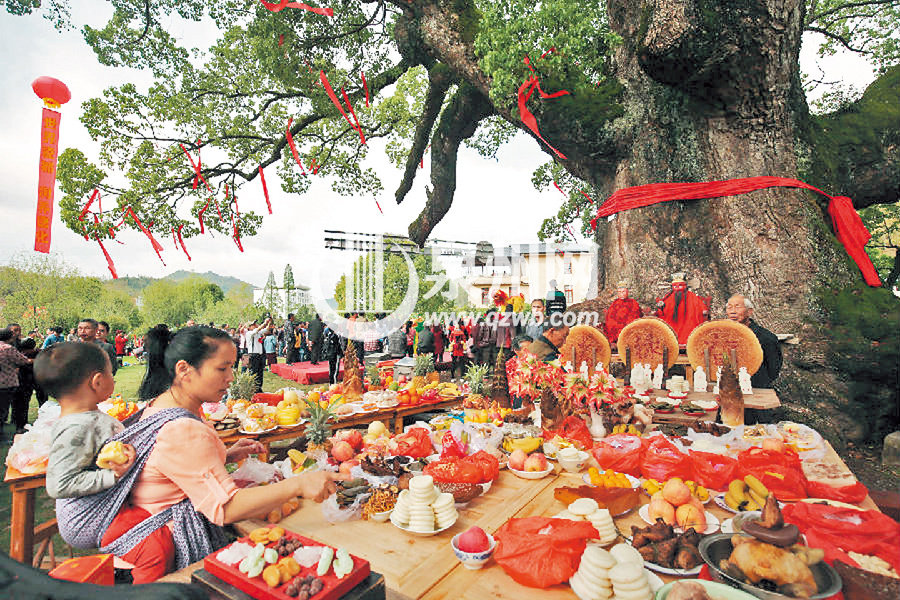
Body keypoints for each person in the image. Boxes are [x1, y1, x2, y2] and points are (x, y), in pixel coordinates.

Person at [55, 326, 345, 583]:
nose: (232, 377)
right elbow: (225, 508)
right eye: (223, 368)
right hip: (165, 543)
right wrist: (299, 484)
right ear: (184, 370)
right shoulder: (183, 428)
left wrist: (226, 455)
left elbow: (172, 466)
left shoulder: (164, 403)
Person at [38, 342, 137, 499]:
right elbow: (59, 484)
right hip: (99, 512)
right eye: (110, 373)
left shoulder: (86, 418)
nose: (113, 378)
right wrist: (113, 475)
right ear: (97, 382)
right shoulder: (77, 427)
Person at [725, 294, 782, 388]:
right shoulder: (722, 335)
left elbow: (773, 368)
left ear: (749, 311)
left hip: (756, 388)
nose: (732, 312)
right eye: (729, 308)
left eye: (737, 307)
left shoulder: (765, 337)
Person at [655, 273, 710, 344]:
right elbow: (662, 314)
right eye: (675, 286)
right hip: (673, 329)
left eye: (680, 285)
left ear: (685, 286)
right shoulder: (668, 298)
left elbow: (702, 308)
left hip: (689, 328)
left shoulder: (693, 297)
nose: (677, 288)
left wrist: (704, 311)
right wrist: (660, 308)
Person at [0, 328, 32, 441]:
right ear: (9, 337)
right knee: (3, 410)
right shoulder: (8, 348)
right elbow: (23, 361)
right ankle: (2, 437)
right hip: (7, 383)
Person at [245, 318, 273, 393]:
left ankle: (259, 388)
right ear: (249, 327)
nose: (255, 325)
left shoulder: (258, 332)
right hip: (253, 355)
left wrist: (269, 322)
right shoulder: (249, 334)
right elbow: (258, 329)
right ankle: (253, 388)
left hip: (260, 355)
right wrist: (264, 322)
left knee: (260, 373)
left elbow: (267, 329)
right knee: (254, 373)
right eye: (253, 325)